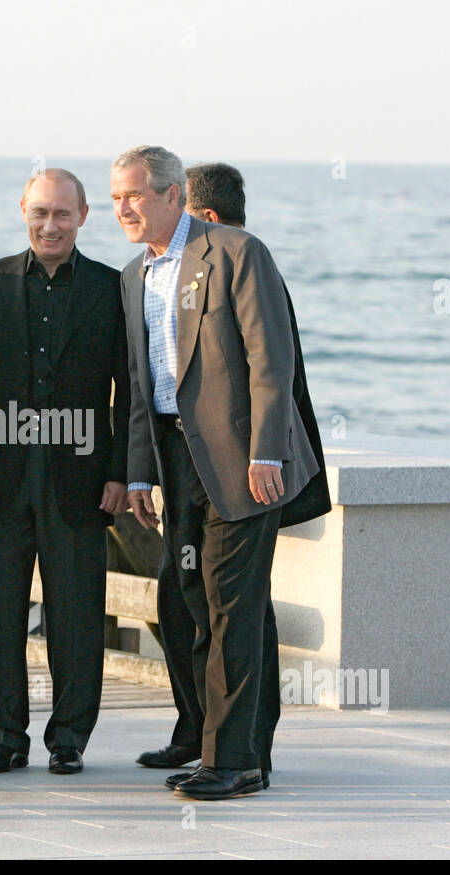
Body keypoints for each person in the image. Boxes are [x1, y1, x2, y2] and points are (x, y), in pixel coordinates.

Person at [112, 145, 325, 800]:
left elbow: (271, 360)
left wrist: (268, 454)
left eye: (136, 195)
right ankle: (225, 746)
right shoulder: (133, 275)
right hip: (176, 460)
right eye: (116, 196)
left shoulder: (235, 252)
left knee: (231, 604)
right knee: (196, 600)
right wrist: (141, 474)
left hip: (240, 459)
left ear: (174, 196)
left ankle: (233, 761)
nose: (123, 208)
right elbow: (143, 386)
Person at [0, 168, 129, 775]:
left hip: (82, 476)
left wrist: (122, 471)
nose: (50, 225)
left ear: (83, 216)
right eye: (40, 213)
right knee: (2, 609)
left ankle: (70, 736)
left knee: (77, 611)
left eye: (63, 214)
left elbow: (127, 390)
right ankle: (4, 735)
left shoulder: (112, 288)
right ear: (23, 209)